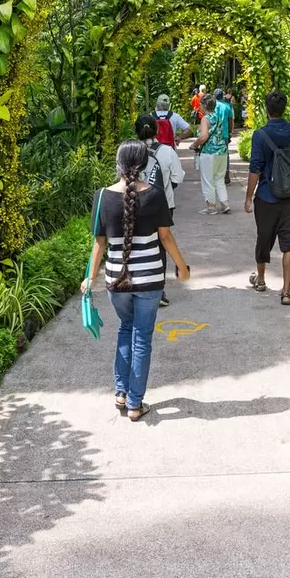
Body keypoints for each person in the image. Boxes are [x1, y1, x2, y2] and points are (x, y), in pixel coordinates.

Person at [81, 140, 190, 421]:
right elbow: (165, 237)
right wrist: (181, 266)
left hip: (116, 281)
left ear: (118, 163)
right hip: (150, 280)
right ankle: (135, 403)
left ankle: (121, 392)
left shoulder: (102, 196)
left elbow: (99, 243)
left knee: (125, 329)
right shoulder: (154, 195)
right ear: (143, 165)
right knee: (142, 337)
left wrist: (90, 278)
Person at [244, 91, 290, 306]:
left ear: (266, 109)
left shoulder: (260, 135)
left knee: (264, 238)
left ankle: (260, 280)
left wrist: (249, 197)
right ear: (284, 108)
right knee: (289, 244)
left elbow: (255, 169)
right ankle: (286, 292)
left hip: (267, 197)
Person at [136, 113, 186, 307]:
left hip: (137, 204)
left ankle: (138, 287)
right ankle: (159, 290)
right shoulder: (167, 151)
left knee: (139, 245)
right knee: (160, 246)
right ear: (157, 130)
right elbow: (178, 177)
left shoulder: (130, 151)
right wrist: (165, 190)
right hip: (163, 205)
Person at [190, 93, 229, 215]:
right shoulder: (218, 117)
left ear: (203, 105)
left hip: (209, 153)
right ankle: (224, 203)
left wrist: (195, 145)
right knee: (219, 179)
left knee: (208, 180)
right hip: (222, 152)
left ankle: (211, 207)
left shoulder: (205, 119)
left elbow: (204, 136)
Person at [214, 87, 234, 184]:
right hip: (224, 134)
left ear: (214, 96)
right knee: (225, 154)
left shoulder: (212, 106)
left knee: (213, 153)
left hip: (213, 134)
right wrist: (230, 132)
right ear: (222, 96)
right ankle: (226, 175)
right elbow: (230, 121)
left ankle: (215, 175)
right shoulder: (227, 106)